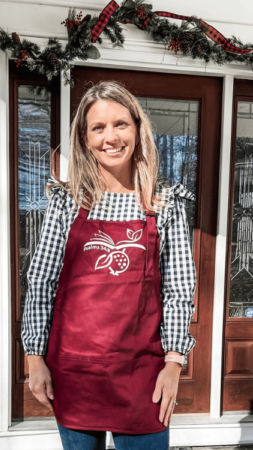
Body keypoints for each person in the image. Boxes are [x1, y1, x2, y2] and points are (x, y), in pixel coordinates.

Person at [21, 81, 197, 450]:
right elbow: (41, 282)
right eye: (98, 128)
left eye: (120, 124)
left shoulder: (164, 206)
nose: (110, 137)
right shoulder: (67, 204)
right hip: (74, 372)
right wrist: (34, 357)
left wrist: (174, 363)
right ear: (85, 139)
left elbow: (178, 292)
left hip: (142, 376)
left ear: (137, 128)